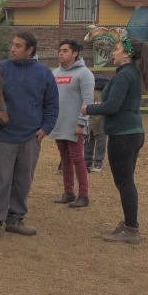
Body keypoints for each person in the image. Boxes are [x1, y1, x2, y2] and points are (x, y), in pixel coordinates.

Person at [0, 31, 59, 240]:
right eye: (12, 45)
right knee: (0, 180)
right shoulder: (0, 70)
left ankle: (15, 219)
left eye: (18, 46)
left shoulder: (44, 73)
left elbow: (52, 104)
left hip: (31, 137)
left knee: (23, 181)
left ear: (30, 50)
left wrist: (45, 129)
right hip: (4, 136)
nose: (12, 49)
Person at [82, 36, 148, 245]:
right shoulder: (129, 73)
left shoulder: (124, 75)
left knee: (124, 183)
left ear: (126, 54)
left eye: (117, 49)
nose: (113, 53)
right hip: (132, 132)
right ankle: (129, 224)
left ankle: (131, 229)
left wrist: (89, 108)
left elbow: (112, 106)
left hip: (123, 135)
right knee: (126, 182)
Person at [49, 39, 94, 208]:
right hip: (59, 124)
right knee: (64, 159)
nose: (61, 53)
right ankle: (68, 192)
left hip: (75, 125)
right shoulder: (54, 74)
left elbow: (88, 101)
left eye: (65, 50)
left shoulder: (84, 74)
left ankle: (84, 195)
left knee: (77, 159)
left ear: (75, 54)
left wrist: (81, 123)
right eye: (60, 50)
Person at [85, 75, 110, 173]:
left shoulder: (95, 94)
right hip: (94, 120)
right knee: (91, 141)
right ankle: (89, 163)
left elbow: (97, 113)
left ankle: (97, 163)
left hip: (99, 121)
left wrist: (87, 126)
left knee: (97, 141)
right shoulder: (94, 92)